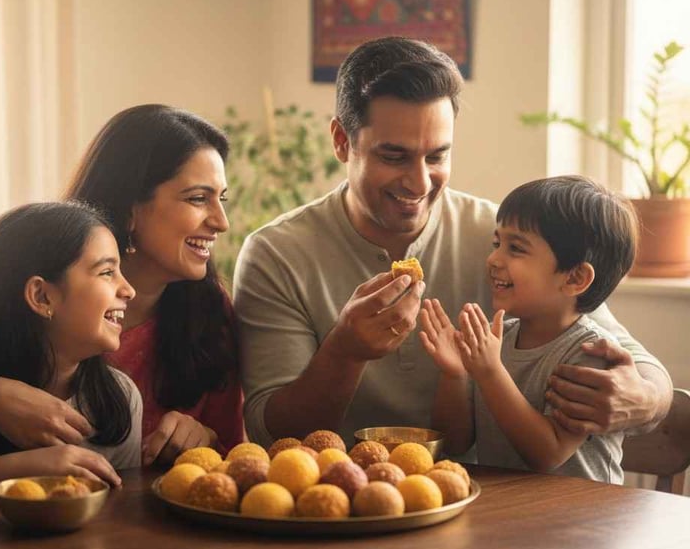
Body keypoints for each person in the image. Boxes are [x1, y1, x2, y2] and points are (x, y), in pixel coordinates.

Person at [233, 36, 672, 448]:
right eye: (394, 156)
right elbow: (271, 431)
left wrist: (648, 398)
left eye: (437, 155)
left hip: (488, 503)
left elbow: (626, 354)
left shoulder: (502, 240)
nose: (420, 181)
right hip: (339, 499)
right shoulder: (276, 254)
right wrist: (344, 352)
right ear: (342, 141)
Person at [0, 105, 244, 465]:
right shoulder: (23, 294)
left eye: (222, 198)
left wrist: (203, 442)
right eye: (198, 199)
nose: (222, 222)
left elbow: (234, 455)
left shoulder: (211, 312)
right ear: (130, 208)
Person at [0, 202, 141, 510]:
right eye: (107, 272)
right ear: (42, 296)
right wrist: (11, 471)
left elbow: (121, 510)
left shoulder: (121, 398)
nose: (128, 289)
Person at [421, 176, 638, 482]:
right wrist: (454, 373)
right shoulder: (500, 340)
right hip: (512, 516)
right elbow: (455, 443)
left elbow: (547, 454)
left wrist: (489, 372)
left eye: (516, 248)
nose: (494, 258)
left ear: (575, 278)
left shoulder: (592, 354)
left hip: (584, 523)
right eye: (497, 243)